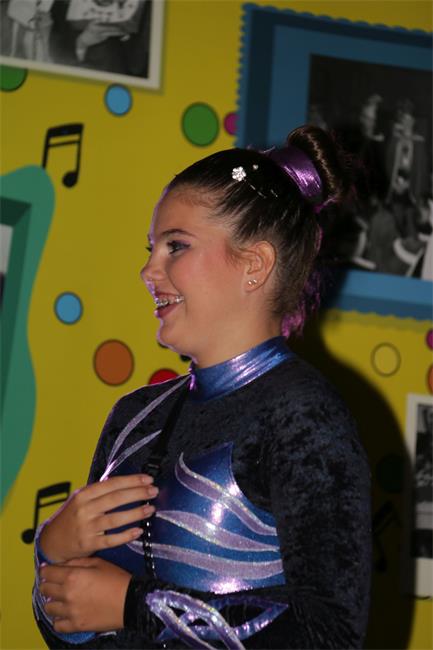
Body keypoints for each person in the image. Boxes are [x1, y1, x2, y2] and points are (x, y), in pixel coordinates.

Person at [33, 125, 372, 649]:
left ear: (254, 265)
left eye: (175, 246)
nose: (148, 270)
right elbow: (73, 632)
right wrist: (53, 555)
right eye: (151, 249)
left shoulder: (303, 416)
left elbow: (331, 635)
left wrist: (134, 605)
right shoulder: (134, 416)